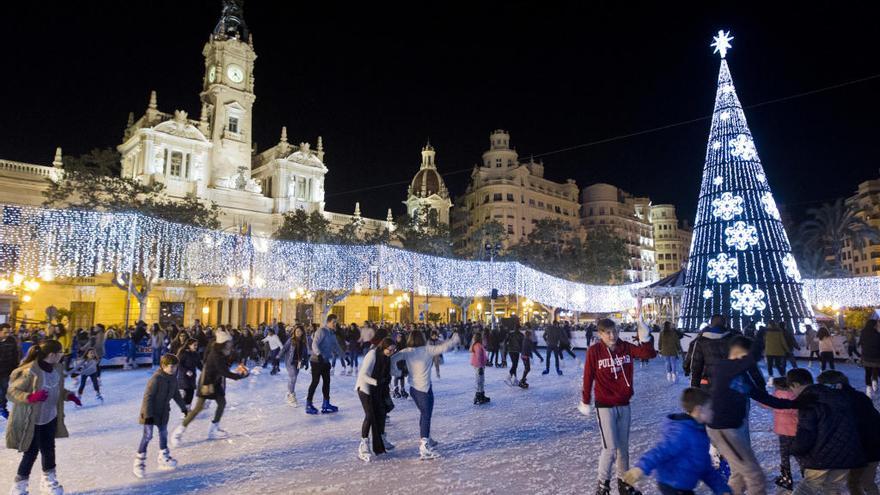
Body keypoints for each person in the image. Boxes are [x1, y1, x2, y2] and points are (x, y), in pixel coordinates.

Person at [704, 336, 793, 495]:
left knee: (739, 475)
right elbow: (751, 359)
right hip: (723, 428)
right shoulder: (723, 367)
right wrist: (762, 335)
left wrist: (793, 404)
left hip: (734, 429)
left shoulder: (742, 376)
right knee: (754, 476)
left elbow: (762, 396)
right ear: (738, 352)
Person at [578, 318, 656, 495]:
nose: (612, 335)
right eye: (608, 332)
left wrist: (645, 337)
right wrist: (585, 400)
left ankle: (625, 484)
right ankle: (603, 485)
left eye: (615, 331)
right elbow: (588, 377)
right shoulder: (594, 351)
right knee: (610, 447)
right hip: (604, 405)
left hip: (624, 403)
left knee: (623, 448)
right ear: (600, 334)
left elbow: (648, 354)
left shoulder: (626, 347)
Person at [6, 339, 81, 495]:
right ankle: (19, 485)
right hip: (32, 419)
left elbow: (57, 389)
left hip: (50, 417)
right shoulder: (30, 371)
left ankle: (48, 481)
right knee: (31, 451)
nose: (62, 356)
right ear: (52, 354)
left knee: (48, 449)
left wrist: (68, 395)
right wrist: (30, 397)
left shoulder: (57, 369)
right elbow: (11, 393)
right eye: (60, 353)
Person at [623, 387, 731, 495]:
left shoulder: (700, 433)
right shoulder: (682, 432)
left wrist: (722, 489)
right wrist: (641, 468)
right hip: (672, 484)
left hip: (684, 486)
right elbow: (661, 451)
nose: (713, 412)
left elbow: (706, 468)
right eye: (710, 408)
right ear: (699, 410)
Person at [788, 368, 864, 495]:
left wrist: (795, 449)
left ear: (795, 385)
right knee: (833, 488)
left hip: (821, 456)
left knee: (808, 487)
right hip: (846, 454)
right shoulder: (842, 397)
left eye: (791, 389)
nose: (793, 393)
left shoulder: (809, 400)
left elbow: (806, 432)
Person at [391, 330, 460, 460]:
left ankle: (426, 437)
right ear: (422, 338)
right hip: (422, 390)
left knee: (425, 414)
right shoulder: (427, 349)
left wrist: (396, 371)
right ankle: (424, 446)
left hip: (419, 389)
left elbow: (392, 359)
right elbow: (443, 347)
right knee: (426, 415)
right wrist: (454, 339)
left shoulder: (407, 351)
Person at [171, 334, 248, 446]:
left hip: (215, 382)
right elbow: (224, 371)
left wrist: (239, 364)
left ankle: (213, 429)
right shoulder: (216, 354)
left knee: (222, 403)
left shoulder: (224, 352)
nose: (231, 344)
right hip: (206, 383)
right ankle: (178, 433)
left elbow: (229, 361)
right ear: (224, 343)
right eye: (229, 342)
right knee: (198, 408)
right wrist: (239, 376)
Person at [814, 370, 880, 495]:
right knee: (865, 482)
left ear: (837, 386)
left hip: (857, 450)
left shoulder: (838, 402)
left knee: (846, 483)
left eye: (824, 387)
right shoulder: (860, 397)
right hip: (871, 449)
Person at [133, 354, 188, 478]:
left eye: (175, 367)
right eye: (171, 367)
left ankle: (163, 456)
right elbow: (148, 398)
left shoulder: (173, 378)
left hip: (163, 412)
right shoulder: (156, 379)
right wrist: (147, 415)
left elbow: (176, 394)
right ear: (163, 366)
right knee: (148, 436)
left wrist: (184, 408)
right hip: (150, 413)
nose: (174, 369)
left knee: (163, 433)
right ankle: (139, 462)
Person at [355, 338, 397, 462]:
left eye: (394, 350)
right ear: (384, 346)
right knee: (370, 415)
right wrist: (377, 382)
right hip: (365, 388)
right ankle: (363, 444)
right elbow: (362, 374)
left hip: (379, 390)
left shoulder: (386, 357)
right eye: (390, 349)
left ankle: (381, 438)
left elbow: (388, 372)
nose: (392, 352)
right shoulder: (372, 354)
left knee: (382, 413)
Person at [764, 377, 799, 490]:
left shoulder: (776, 395)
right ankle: (805, 472)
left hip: (783, 432)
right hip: (796, 431)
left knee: (784, 455)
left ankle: (786, 477)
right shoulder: (795, 395)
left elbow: (766, 404)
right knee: (800, 454)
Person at [306, 314, 345, 415]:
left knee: (327, 382)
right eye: (334, 322)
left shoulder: (332, 334)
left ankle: (326, 403)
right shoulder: (321, 331)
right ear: (328, 322)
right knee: (315, 382)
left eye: (336, 322)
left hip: (326, 361)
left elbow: (336, 346)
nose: (335, 324)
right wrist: (318, 354)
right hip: (316, 361)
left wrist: (344, 357)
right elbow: (314, 344)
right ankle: (308, 404)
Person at [689, 314, 734, 388]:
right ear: (725, 324)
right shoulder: (733, 339)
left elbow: (696, 365)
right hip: (728, 383)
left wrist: (694, 386)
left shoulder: (701, 341)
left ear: (710, 324)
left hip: (707, 383)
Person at [279, 325, 308, 407]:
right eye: (297, 331)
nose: (298, 333)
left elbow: (305, 354)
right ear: (294, 332)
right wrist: (278, 356)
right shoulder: (291, 340)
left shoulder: (303, 342)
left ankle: (289, 393)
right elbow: (284, 348)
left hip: (298, 363)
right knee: (293, 377)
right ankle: (291, 395)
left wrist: (306, 363)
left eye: (300, 331)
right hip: (290, 362)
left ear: (302, 332)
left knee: (294, 379)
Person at [0, 323, 21, 419]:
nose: (7, 334)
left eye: (9, 332)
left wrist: (15, 368)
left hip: (6, 370)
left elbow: (15, 355)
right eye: (5, 332)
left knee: (4, 390)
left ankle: (2, 408)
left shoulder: (11, 340)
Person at [175, 339, 201, 410]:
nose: (196, 346)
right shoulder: (183, 353)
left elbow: (199, 364)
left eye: (196, 345)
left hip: (192, 377)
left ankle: (187, 408)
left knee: (191, 394)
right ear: (189, 345)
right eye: (194, 345)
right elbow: (179, 364)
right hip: (184, 377)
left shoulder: (196, 354)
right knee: (187, 393)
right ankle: (185, 410)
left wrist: (204, 370)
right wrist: (186, 371)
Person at [859, 318, 880, 397]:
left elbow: (861, 344)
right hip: (877, 358)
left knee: (868, 373)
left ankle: (869, 392)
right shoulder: (877, 335)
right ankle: (875, 383)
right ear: (874, 326)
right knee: (877, 371)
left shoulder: (863, 333)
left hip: (866, 357)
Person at [470, 332, 490, 404]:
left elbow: (483, 354)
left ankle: (481, 395)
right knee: (479, 380)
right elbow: (478, 356)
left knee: (481, 380)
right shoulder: (477, 345)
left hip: (480, 365)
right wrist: (480, 366)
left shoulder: (478, 345)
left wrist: (486, 359)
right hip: (479, 365)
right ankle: (478, 396)